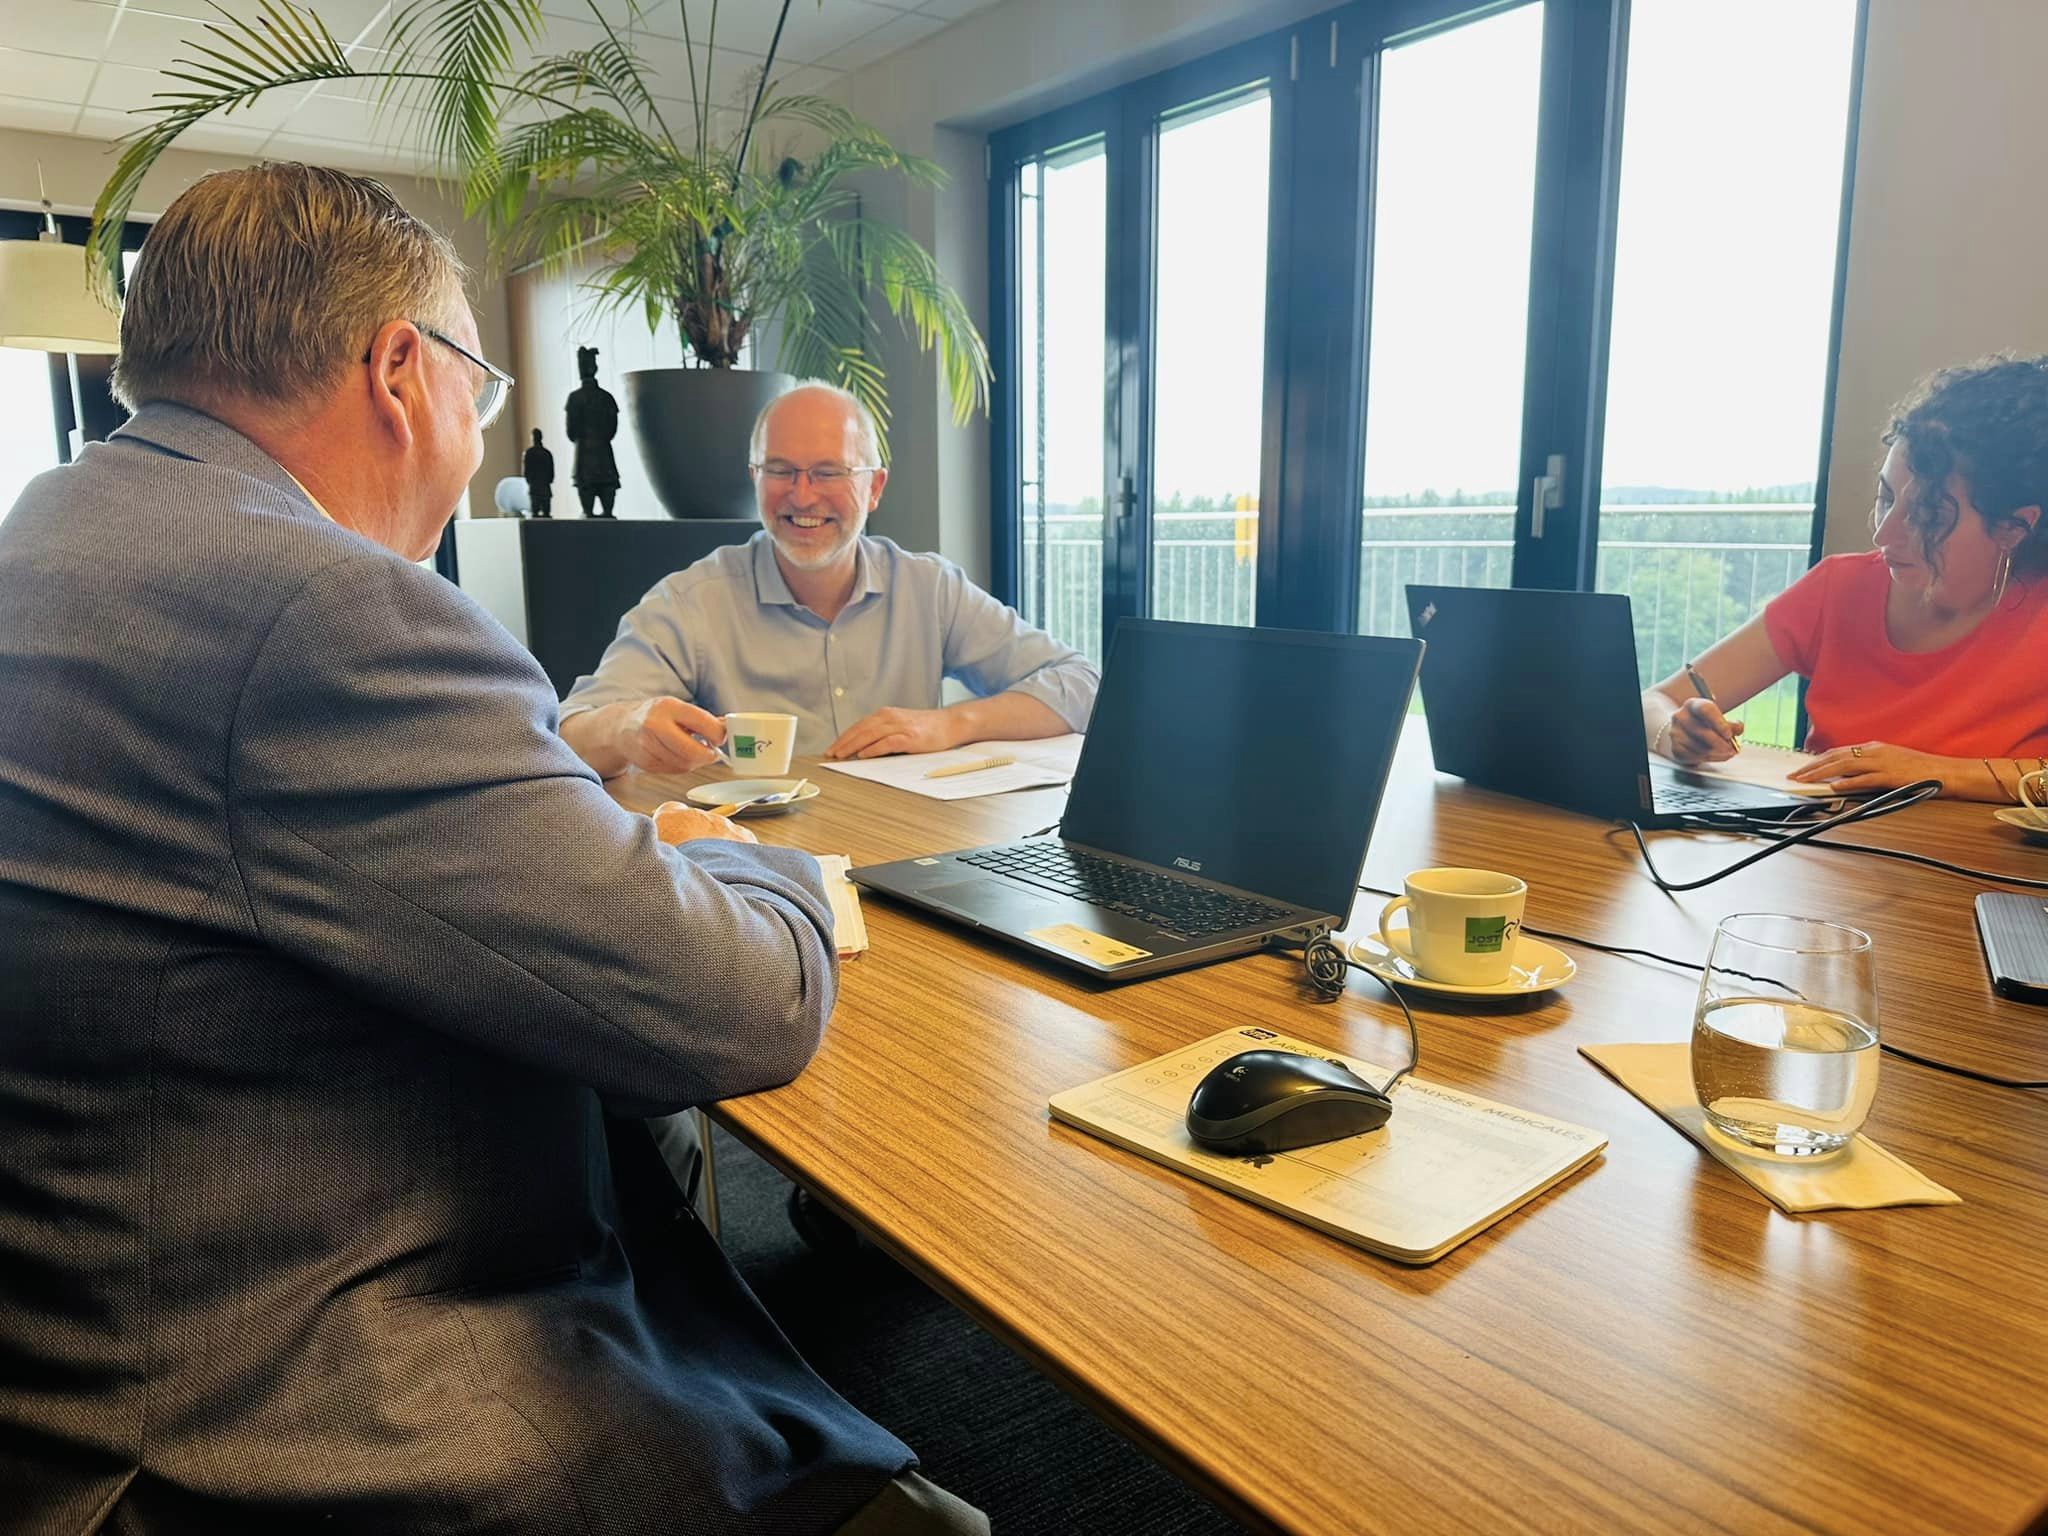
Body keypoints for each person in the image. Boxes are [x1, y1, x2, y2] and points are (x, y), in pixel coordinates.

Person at [0, 163, 985, 1535]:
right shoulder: (326, 608)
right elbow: (748, 1005)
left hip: (104, 1323)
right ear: (403, 371)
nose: (472, 443)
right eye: (480, 386)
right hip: (270, 1413)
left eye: (832, 474)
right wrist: (733, 851)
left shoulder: (56, 529)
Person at [559, 381, 1099, 777]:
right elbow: (567, 734)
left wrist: (951, 725)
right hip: (755, 874)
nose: (802, 494)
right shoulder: (691, 602)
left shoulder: (928, 589)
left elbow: (1081, 685)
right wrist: (625, 726)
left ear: (874, 488)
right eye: (780, 470)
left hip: (902, 855)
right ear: (755, 478)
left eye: (828, 472)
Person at [1644, 354, 2048, 801]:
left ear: (2014, 527)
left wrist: (1934, 771)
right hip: (1823, 850)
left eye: (1928, 515)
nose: (1883, 533)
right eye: (1886, 497)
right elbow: (1654, 701)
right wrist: (1674, 733)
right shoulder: (1840, 587)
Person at [567, 343, 620, 518]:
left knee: (587, 504)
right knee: (607, 498)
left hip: (584, 455)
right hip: (604, 451)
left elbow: (571, 431)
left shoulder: (575, 398)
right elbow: (612, 428)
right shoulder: (606, 397)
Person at [524, 424, 555, 516]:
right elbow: (551, 473)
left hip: (535, 487)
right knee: (546, 512)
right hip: (544, 486)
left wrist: (530, 480)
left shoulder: (529, 453)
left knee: (535, 512)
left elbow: (526, 471)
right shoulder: (546, 453)